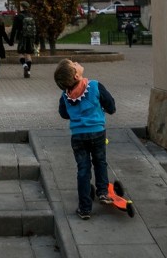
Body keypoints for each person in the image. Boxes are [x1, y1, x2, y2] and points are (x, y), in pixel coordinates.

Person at [54, 58, 117, 220]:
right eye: (74, 64)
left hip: (78, 136)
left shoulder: (65, 95)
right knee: (100, 162)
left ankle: (84, 208)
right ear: (76, 75)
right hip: (97, 133)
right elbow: (111, 106)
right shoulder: (95, 86)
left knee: (83, 169)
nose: (76, 62)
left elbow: (63, 114)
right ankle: (103, 192)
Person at [9, 1, 37, 78]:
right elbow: (36, 28)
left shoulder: (18, 17)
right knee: (28, 54)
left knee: (21, 53)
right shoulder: (32, 16)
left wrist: (11, 41)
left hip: (22, 37)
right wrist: (36, 40)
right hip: (30, 38)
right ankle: (28, 72)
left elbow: (14, 29)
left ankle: (24, 65)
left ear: (22, 7)